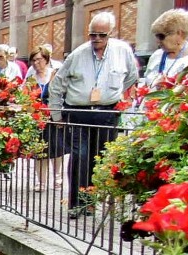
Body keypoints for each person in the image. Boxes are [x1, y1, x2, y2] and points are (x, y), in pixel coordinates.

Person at [47, 11, 138, 218]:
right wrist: (56, 115)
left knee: (99, 160)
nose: (96, 39)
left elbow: (132, 76)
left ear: (111, 33)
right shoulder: (78, 54)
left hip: (106, 113)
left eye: (101, 35)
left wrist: (113, 94)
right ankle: (75, 203)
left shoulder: (122, 51)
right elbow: (57, 85)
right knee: (80, 156)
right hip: (79, 112)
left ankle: (89, 203)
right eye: (92, 34)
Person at [26, 46, 67, 192]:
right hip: (38, 119)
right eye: (33, 60)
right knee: (40, 152)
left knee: (57, 150)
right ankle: (41, 182)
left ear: (46, 59)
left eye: (39, 59)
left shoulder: (55, 74)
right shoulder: (30, 79)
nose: (36, 63)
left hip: (54, 117)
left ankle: (58, 178)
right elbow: (25, 98)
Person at [144, 9, 188, 91]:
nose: (157, 41)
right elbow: (146, 84)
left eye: (161, 36)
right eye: (156, 37)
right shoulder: (156, 55)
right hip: (150, 102)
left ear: (179, 34)